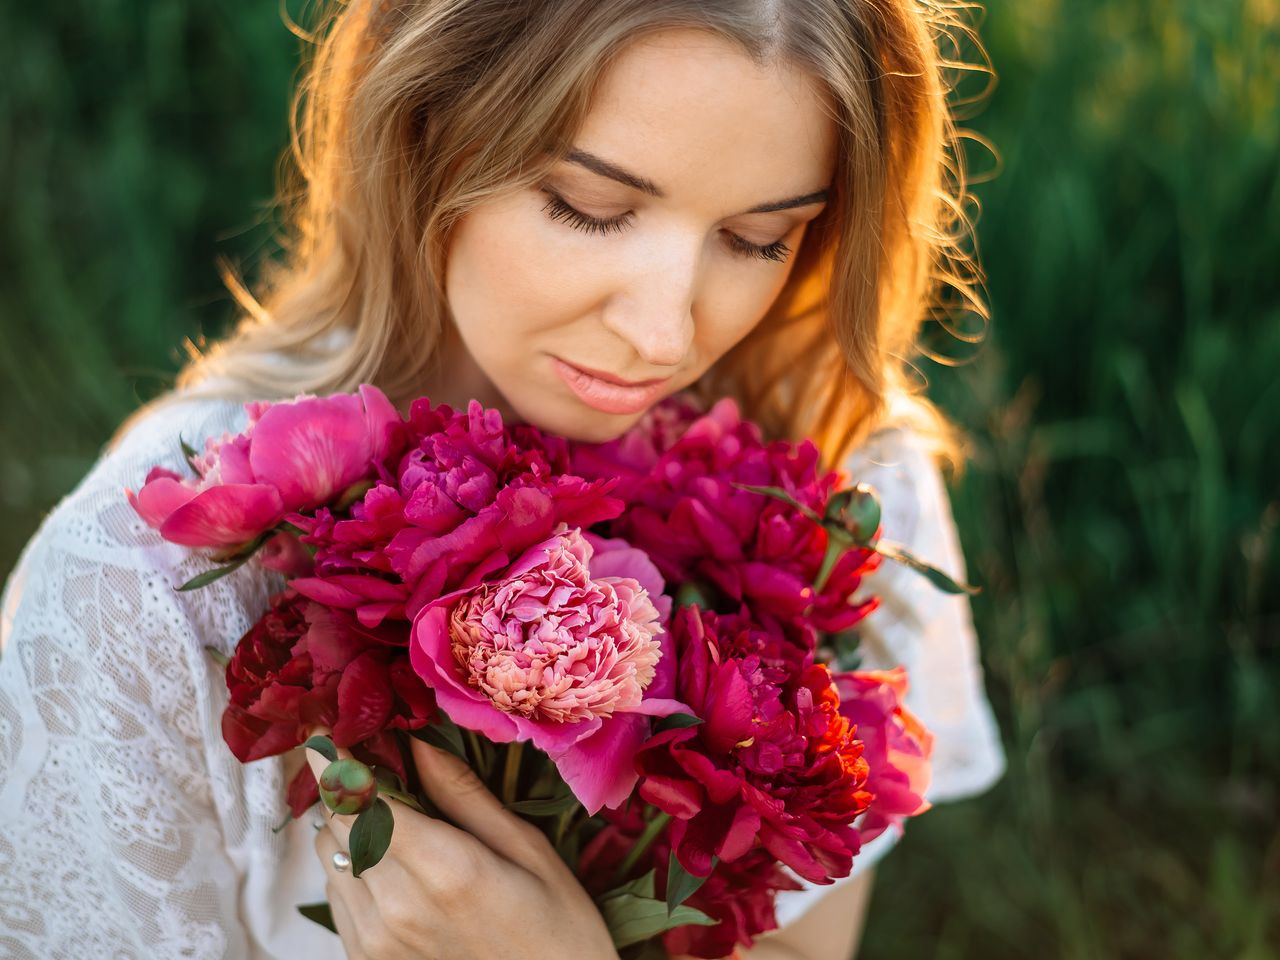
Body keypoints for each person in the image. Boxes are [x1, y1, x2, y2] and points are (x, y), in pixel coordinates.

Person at [0, 1, 1006, 957]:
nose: (662, 334)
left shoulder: (831, 475)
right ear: (425, 128)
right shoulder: (142, 587)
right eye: (589, 207)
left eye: (756, 240)